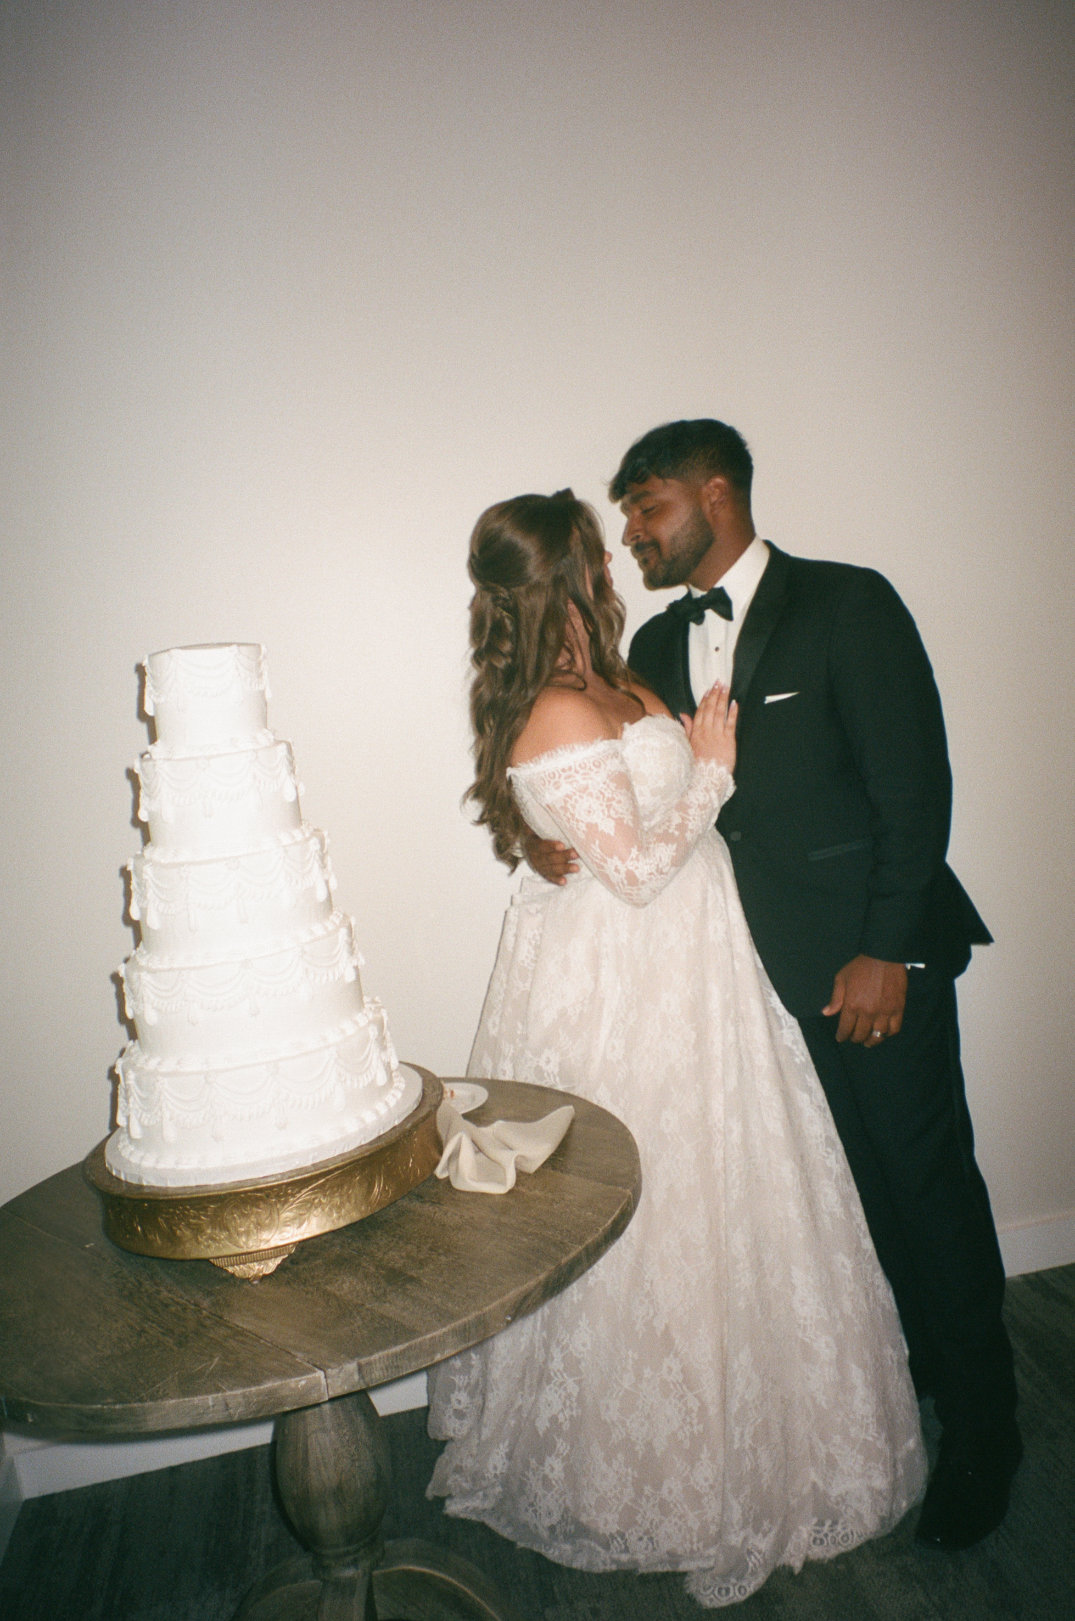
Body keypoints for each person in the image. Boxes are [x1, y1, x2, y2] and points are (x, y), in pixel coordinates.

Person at [427, 489, 926, 1607]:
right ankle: (648, 1472)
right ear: (574, 573)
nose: (617, 561)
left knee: (731, 1202)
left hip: (703, 978)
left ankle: (751, 1445)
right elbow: (641, 874)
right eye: (599, 552)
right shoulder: (555, 709)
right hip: (624, 987)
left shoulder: (621, 677)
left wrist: (692, 762)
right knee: (652, 1209)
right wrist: (710, 767)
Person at [570, 417, 1015, 1553]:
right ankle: (906, 1389)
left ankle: (988, 1431)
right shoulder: (661, 653)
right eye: (623, 515)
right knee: (851, 1208)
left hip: (871, 970)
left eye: (647, 506)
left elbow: (913, 788)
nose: (632, 533)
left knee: (924, 1191)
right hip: (741, 995)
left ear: (717, 493)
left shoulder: (846, 605)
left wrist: (888, 949)